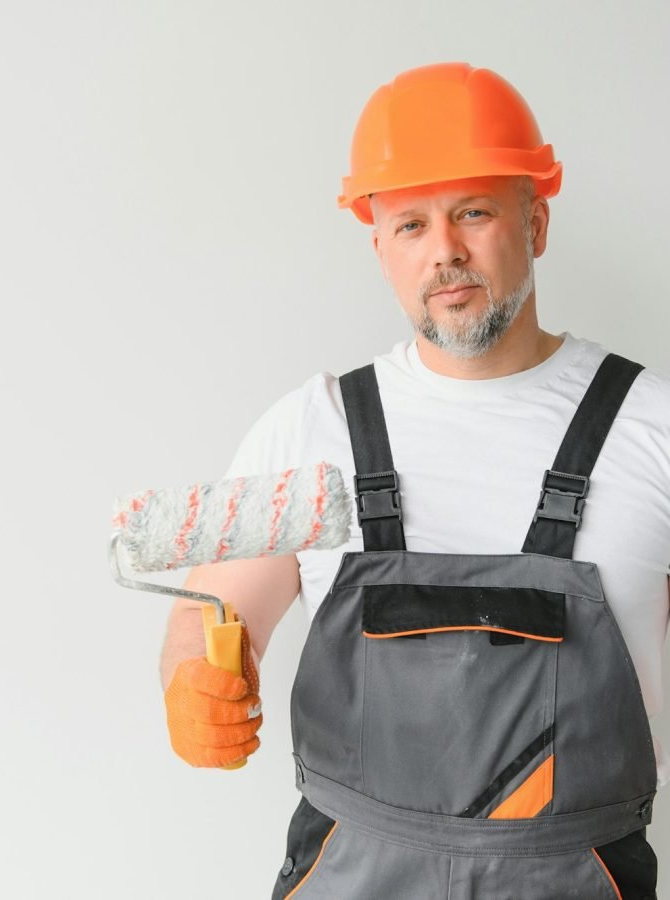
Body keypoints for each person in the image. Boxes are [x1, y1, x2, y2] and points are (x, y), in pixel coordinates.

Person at [159, 62, 669, 899]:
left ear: (535, 223)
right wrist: (192, 680)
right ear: (380, 249)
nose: (446, 252)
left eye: (475, 211)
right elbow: (208, 614)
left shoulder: (656, 429)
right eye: (411, 225)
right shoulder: (305, 427)